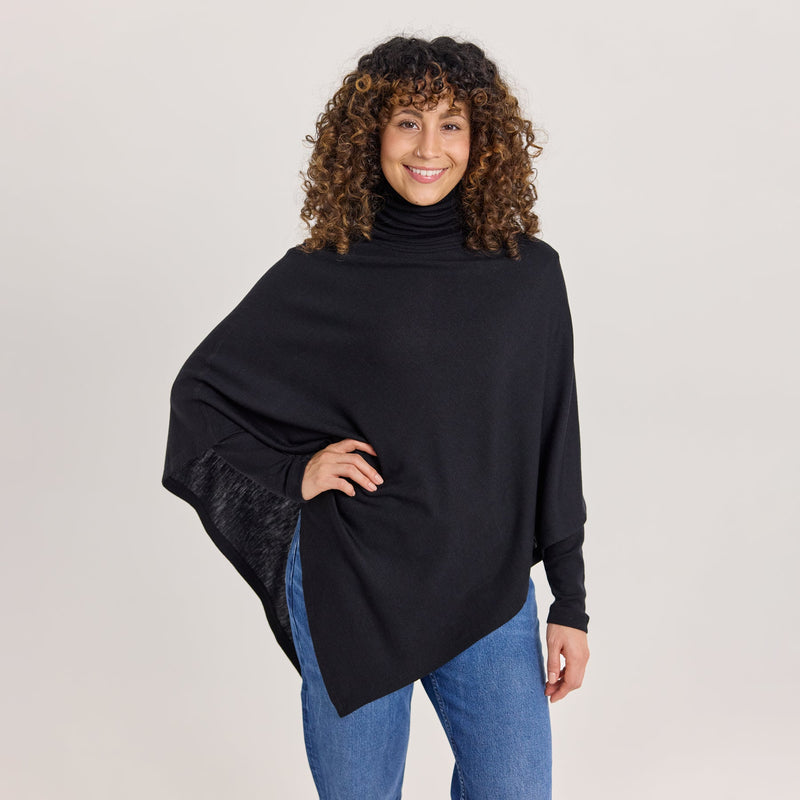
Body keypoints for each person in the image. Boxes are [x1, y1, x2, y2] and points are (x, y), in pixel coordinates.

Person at [162, 34, 589, 800]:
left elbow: (555, 439)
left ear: (482, 139)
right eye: (407, 122)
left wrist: (572, 602)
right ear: (372, 134)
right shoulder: (324, 268)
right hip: (353, 583)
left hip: (487, 587)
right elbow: (200, 394)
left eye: (451, 124)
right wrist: (295, 471)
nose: (429, 147)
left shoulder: (529, 274)